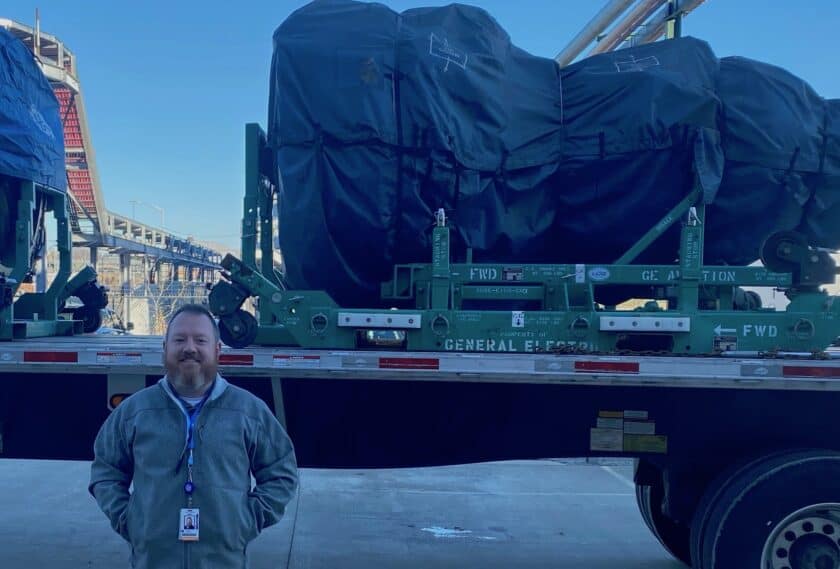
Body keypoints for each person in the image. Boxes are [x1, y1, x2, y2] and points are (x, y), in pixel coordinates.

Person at [89, 304, 298, 569]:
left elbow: (282, 471)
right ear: (165, 348)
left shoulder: (248, 411)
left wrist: (246, 521)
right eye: (179, 340)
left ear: (217, 350)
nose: (190, 348)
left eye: (200, 340)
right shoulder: (135, 411)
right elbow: (106, 470)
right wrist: (130, 520)